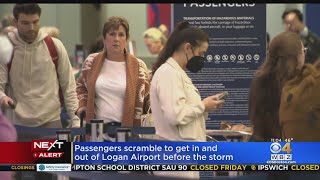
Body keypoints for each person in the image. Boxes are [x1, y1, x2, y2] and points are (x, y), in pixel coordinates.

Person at [150, 21, 225, 179]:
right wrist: (202, 106)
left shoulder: (177, 73)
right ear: (187, 48)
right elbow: (174, 115)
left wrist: (205, 107)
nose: (202, 58)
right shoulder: (168, 74)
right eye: (202, 53)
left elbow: (184, 112)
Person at [0, 4, 80, 139]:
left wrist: (75, 119)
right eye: (25, 23)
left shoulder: (54, 46)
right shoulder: (6, 49)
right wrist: (2, 97)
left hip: (51, 124)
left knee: (53, 160)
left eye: (35, 22)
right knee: (16, 160)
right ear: (15, 22)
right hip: (17, 126)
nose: (31, 28)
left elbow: (69, 87)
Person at [76, 16, 150, 142]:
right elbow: (81, 86)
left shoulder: (139, 66)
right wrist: (82, 106)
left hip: (127, 133)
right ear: (104, 38)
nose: (116, 39)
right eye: (112, 34)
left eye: (121, 35)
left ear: (126, 39)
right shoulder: (91, 61)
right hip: (96, 133)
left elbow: (147, 98)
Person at [249, 31, 306, 142]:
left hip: (261, 148)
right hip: (295, 151)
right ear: (297, 57)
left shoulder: (258, 81)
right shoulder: (302, 86)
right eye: (304, 51)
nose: (305, 55)